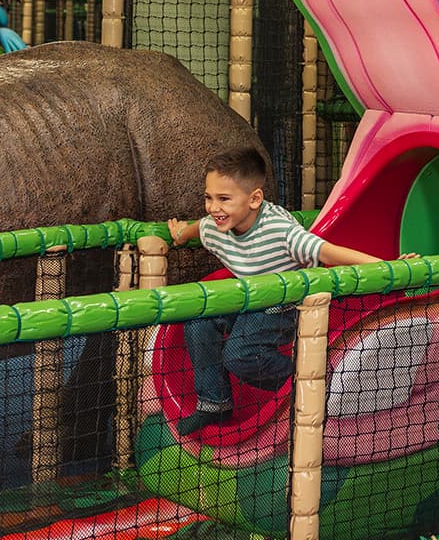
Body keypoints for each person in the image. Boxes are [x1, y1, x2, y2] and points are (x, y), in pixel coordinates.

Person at [166, 162, 389, 435]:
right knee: (199, 322)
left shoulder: (281, 232)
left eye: (223, 199)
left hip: (286, 306)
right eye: (208, 197)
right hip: (250, 299)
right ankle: (215, 403)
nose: (213, 207)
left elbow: (328, 252)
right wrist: (180, 234)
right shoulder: (214, 227)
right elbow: (198, 227)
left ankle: (316, 382)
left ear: (254, 199)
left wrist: (388, 268)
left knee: (239, 355)